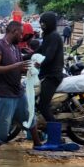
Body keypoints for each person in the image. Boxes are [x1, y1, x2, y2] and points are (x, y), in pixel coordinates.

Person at [0, 21, 32, 160]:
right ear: (13, 31)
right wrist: (16, 66)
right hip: (3, 92)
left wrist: (23, 69)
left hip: (17, 91)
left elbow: (18, 66)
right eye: (20, 34)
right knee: (2, 125)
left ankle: (38, 144)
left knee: (29, 117)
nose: (21, 37)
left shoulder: (15, 47)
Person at [33, 12, 65, 146]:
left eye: (44, 23)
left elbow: (49, 56)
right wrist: (22, 57)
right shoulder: (47, 36)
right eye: (41, 23)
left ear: (50, 23)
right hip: (46, 74)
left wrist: (39, 63)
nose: (42, 25)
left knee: (43, 105)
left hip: (52, 76)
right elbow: (39, 51)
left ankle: (57, 137)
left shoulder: (54, 37)